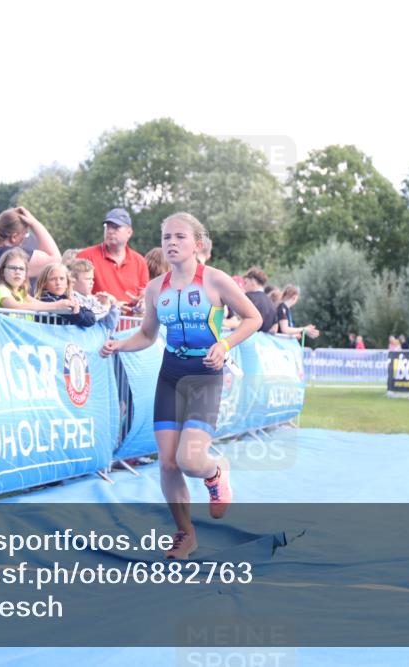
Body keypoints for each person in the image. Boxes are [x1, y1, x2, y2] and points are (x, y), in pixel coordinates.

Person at [100, 212, 262, 559]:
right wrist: (119, 344)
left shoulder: (216, 281)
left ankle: (216, 471)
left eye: (180, 237)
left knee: (190, 460)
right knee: (169, 463)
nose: (171, 244)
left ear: (197, 244)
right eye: (166, 238)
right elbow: (146, 334)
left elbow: (254, 318)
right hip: (170, 375)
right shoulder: (155, 288)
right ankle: (185, 534)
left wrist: (225, 345)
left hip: (204, 375)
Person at [0, 207, 62, 307]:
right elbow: (55, 260)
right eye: (25, 235)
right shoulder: (10, 255)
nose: (18, 271)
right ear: (14, 237)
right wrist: (34, 223)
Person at [77, 208, 149, 315]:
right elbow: (73, 293)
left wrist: (142, 302)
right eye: (107, 227)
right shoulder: (85, 256)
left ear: (129, 232)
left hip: (128, 328)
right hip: (96, 327)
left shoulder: (140, 261)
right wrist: (109, 305)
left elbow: (144, 295)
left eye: (116, 227)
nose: (110, 231)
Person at [34, 263, 95, 327]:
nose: (58, 283)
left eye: (62, 279)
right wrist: (78, 313)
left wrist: (79, 312)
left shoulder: (69, 298)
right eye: (52, 279)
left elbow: (92, 318)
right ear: (44, 284)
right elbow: (88, 320)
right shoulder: (45, 299)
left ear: (67, 283)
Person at [0, 247, 42, 318]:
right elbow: (17, 307)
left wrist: (58, 306)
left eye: (21, 269)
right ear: (2, 272)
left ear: (25, 275)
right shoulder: (0, 290)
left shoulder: (22, 293)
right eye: (13, 268)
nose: (18, 272)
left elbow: (41, 305)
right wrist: (57, 305)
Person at [68, 258, 121, 330]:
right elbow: (90, 317)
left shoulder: (93, 299)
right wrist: (105, 306)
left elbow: (109, 325)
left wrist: (113, 305)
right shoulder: (71, 297)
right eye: (87, 279)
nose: (92, 282)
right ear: (73, 281)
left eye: (92, 279)